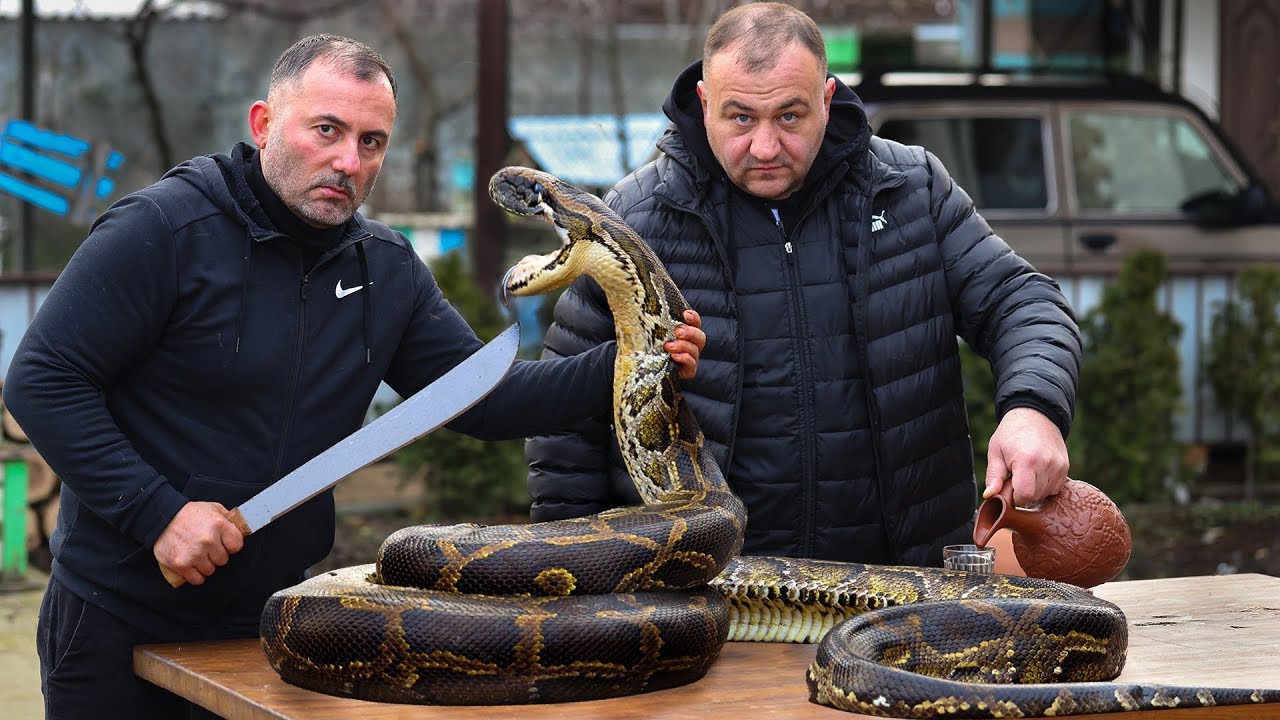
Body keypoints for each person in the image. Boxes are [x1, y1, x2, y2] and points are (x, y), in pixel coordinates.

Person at [3, 34, 703, 720]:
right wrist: (156, 514)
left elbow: (487, 402)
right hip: (118, 618)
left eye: (371, 142)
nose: (347, 161)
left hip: (275, 624)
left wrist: (638, 361)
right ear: (264, 122)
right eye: (327, 130)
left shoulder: (386, 269)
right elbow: (40, 378)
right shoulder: (163, 228)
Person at [526, 3, 1080, 568]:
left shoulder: (910, 189)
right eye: (740, 118)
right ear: (704, 102)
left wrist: (1033, 408)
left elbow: (1023, 301)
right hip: (708, 598)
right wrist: (574, 572)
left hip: (903, 590)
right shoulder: (637, 220)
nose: (765, 148)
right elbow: (568, 422)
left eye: (790, 117)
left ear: (826, 98)